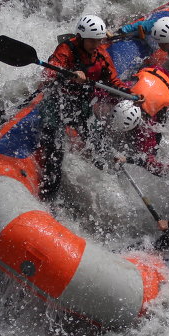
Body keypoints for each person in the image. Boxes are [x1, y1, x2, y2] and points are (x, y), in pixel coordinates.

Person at [37, 14, 131, 199]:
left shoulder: (100, 54)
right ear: (81, 38)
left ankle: (112, 176)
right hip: (57, 102)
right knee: (54, 151)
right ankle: (49, 197)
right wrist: (70, 74)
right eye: (92, 41)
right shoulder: (66, 49)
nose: (96, 45)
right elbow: (48, 72)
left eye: (98, 40)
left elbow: (113, 80)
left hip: (81, 104)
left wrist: (127, 93)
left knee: (98, 141)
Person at [106, 64, 169, 174]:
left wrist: (127, 159)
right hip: (149, 72)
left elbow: (150, 163)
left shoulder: (148, 129)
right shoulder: (120, 97)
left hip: (165, 87)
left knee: (151, 148)